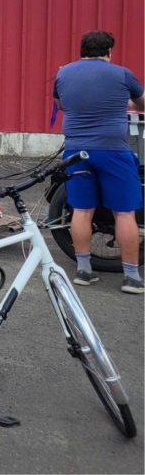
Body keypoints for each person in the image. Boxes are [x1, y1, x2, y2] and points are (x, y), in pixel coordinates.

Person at [53, 30, 145, 294]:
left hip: (75, 150)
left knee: (82, 210)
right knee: (124, 212)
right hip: (112, 151)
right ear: (109, 51)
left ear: (82, 50)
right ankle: (131, 277)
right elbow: (141, 104)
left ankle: (83, 270)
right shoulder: (122, 74)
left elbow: (61, 104)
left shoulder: (63, 74)